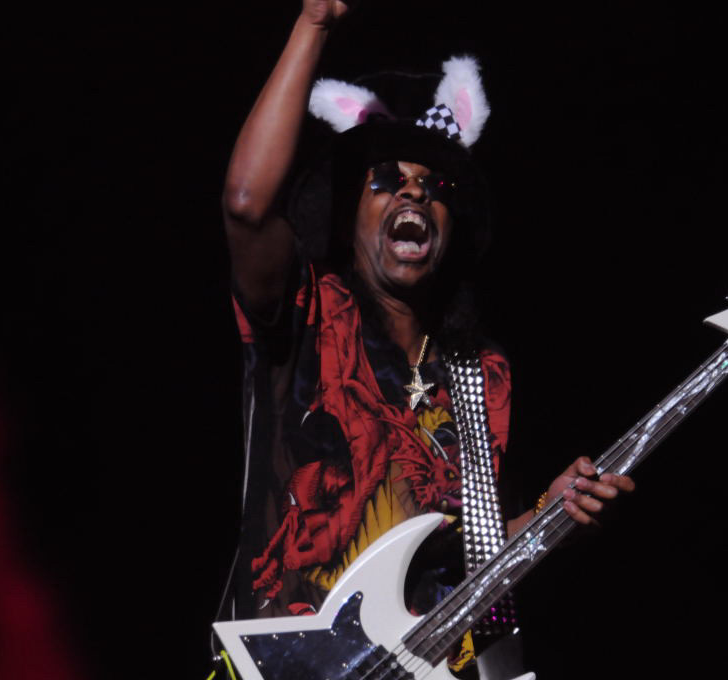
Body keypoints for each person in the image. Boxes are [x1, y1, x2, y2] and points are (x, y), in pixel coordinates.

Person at [220, 2, 635, 677]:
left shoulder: (480, 373)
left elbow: (472, 562)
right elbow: (246, 205)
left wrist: (550, 515)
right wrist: (313, 23)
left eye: (434, 186)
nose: (413, 194)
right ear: (350, 214)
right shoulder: (307, 311)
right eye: (387, 180)